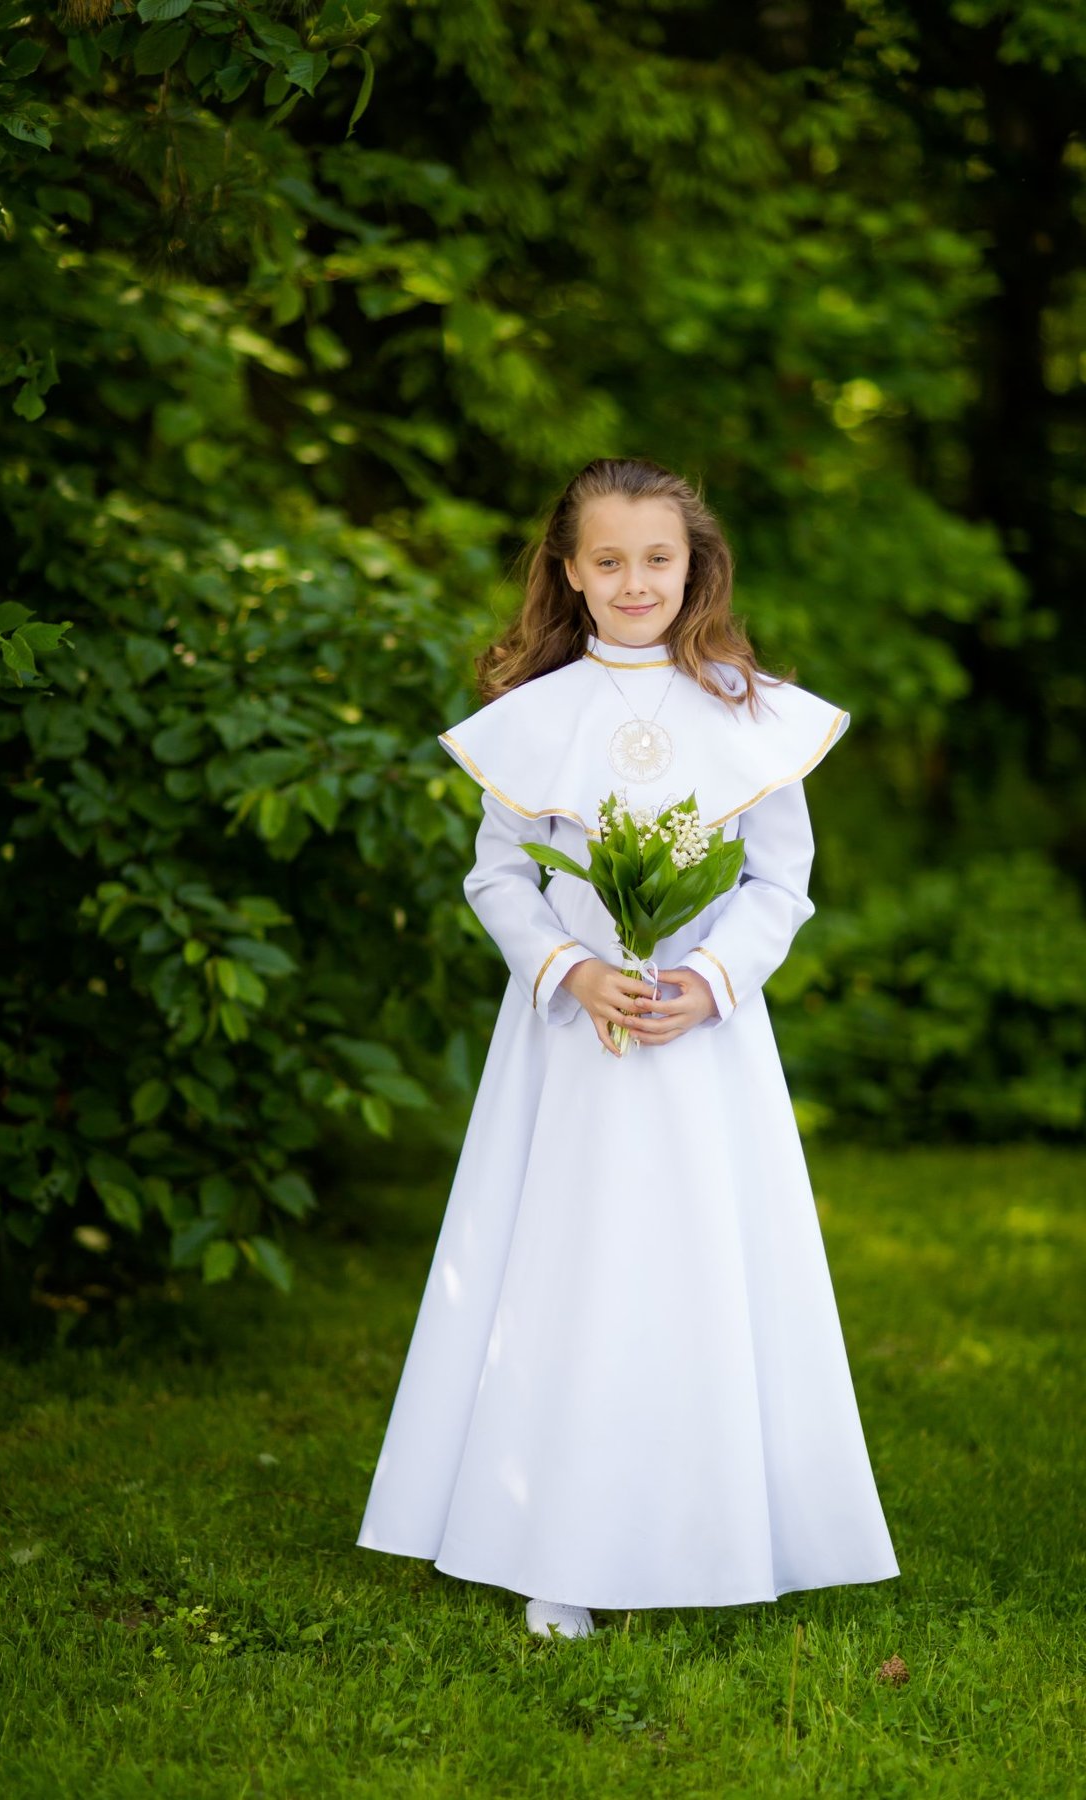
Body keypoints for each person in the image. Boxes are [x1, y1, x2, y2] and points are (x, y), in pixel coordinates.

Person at [356, 456, 900, 1639]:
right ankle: (557, 1544)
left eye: (660, 558)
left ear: (694, 566)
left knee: (708, 1263)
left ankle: (726, 1525)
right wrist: (573, 967)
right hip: (569, 1050)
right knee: (569, 1264)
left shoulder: (750, 709)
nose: (636, 580)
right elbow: (499, 875)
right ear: (570, 573)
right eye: (609, 560)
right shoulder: (531, 721)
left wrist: (707, 980)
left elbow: (780, 881)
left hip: (704, 1047)